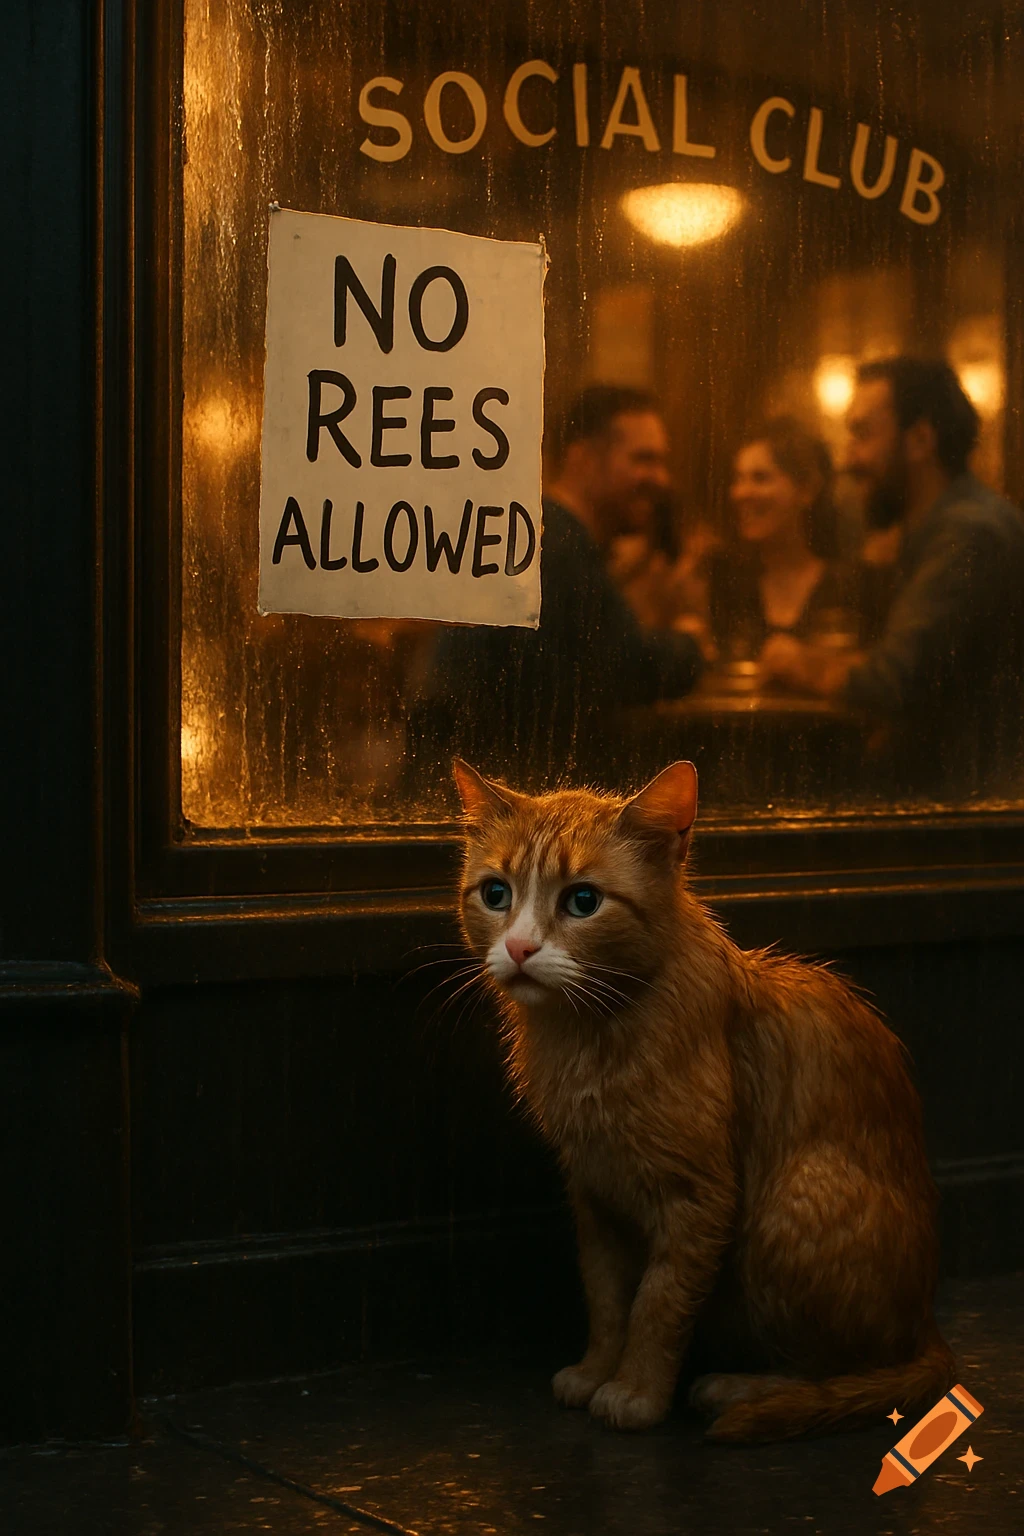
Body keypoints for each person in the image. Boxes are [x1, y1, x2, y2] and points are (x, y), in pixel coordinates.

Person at [409, 386, 703, 789]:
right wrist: (691, 642)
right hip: (493, 803)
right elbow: (625, 669)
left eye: (661, 462)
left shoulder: (542, 534)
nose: (660, 479)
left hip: (480, 790)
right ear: (582, 460)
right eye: (643, 460)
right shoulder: (557, 547)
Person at [760, 356, 1024, 799]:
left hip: (978, 812)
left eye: (862, 435)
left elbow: (893, 683)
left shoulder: (967, 533)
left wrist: (797, 661)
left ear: (920, 439)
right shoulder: (944, 527)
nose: (848, 457)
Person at [713, 417, 855, 658]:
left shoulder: (846, 586)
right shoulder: (727, 584)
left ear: (806, 489)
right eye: (738, 479)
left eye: (760, 478)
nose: (741, 493)